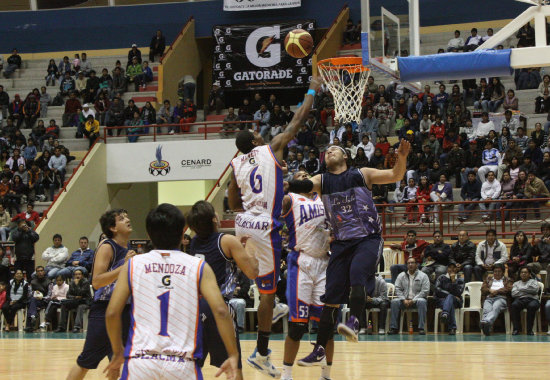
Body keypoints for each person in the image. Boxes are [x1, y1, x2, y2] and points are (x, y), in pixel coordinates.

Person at [228, 77, 322, 377]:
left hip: (241, 224)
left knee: (264, 283)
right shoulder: (272, 148)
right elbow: (297, 120)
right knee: (267, 292)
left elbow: (232, 201)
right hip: (263, 226)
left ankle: (276, 307)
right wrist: (312, 89)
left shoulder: (237, 163)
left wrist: (249, 210)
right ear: (256, 141)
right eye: (257, 133)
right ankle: (262, 351)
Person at [285, 136, 410, 357]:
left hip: (367, 238)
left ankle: (353, 324)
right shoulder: (321, 180)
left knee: (357, 275)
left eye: (335, 149)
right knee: (331, 298)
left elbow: (395, 175)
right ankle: (320, 348)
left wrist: (401, 158)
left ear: (345, 155)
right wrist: (287, 184)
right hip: (341, 244)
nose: (330, 151)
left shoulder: (362, 174)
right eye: (327, 150)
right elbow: (304, 187)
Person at [104, 204, 239, 380]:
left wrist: (117, 351)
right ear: (183, 234)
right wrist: (233, 354)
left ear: (149, 235)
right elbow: (221, 311)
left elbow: (112, 313)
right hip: (182, 364)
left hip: (140, 362)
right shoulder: (198, 266)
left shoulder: (133, 264)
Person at [187, 201, 259, 380]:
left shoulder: (194, 243)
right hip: (217, 308)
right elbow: (252, 271)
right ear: (214, 219)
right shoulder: (226, 240)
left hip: (195, 309)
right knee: (233, 367)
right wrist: (250, 246)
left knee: (192, 367)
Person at [65, 209, 136, 380]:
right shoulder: (107, 246)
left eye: (127, 216)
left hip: (125, 309)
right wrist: (124, 267)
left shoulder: (128, 247)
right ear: (113, 227)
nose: (127, 219)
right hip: (105, 310)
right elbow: (97, 282)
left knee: (121, 360)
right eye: (122, 218)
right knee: (86, 361)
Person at [279, 171, 333, 379]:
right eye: (299, 174)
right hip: (301, 262)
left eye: (307, 174)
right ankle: (286, 374)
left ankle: (326, 374)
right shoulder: (290, 198)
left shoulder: (324, 198)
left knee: (326, 326)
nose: (304, 176)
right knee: (297, 326)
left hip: (324, 263)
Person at [388, 257, 430, 335]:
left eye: (412, 263)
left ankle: (421, 328)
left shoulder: (423, 276)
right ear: (406, 265)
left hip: (417, 300)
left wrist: (413, 300)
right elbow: (397, 289)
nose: (410, 265)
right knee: (394, 302)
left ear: (416, 265)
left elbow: (425, 291)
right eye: (408, 263)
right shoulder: (401, 275)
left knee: (422, 301)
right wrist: (403, 299)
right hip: (404, 300)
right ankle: (394, 328)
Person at [480, 263, 512, 336]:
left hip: (501, 298)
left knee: (496, 307)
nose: (497, 273)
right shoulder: (488, 279)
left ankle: (485, 321)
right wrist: (489, 290)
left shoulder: (507, 280)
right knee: (487, 309)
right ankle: (487, 328)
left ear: (503, 272)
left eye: (499, 271)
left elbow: (508, 289)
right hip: (489, 298)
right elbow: (483, 288)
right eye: (495, 271)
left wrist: (496, 291)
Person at [57, 269, 91, 333]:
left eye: (79, 274)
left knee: (80, 307)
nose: (77, 276)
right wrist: (75, 297)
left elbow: (81, 293)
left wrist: (77, 284)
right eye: (76, 274)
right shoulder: (72, 282)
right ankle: (61, 327)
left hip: (85, 301)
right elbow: (68, 295)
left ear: (82, 275)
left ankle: (77, 327)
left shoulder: (86, 282)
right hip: (75, 301)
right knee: (64, 304)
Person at [434, 262, 464, 335]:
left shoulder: (460, 280)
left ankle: (445, 314)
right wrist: (449, 295)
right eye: (450, 267)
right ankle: (452, 328)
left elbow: (459, 293)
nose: (452, 269)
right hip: (441, 301)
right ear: (447, 269)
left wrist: (453, 281)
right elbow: (437, 290)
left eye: (454, 267)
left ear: (456, 269)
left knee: (450, 298)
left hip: (456, 301)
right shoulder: (441, 277)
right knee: (450, 302)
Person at [510, 267, 540, 335]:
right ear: (520, 274)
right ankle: (516, 329)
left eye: (525, 272)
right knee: (514, 305)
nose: (523, 274)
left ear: (529, 274)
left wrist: (520, 289)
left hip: (533, 299)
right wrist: (527, 290)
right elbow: (514, 294)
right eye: (522, 272)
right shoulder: (516, 283)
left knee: (531, 306)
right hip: (520, 299)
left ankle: (529, 330)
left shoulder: (534, 282)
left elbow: (535, 290)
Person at [24, 266, 49, 332]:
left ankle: (29, 325)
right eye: (38, 271)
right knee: (32, 300)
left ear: (44, 272)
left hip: (44, 301)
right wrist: (34, 293)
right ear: (36, 273)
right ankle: (33, 317)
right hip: (34, 300)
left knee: (31, 303)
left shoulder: (49, 282)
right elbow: (29, 294)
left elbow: (50, 295)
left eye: (41, 271)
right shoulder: (32, 282)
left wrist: (42, 297)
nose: (40, 272)